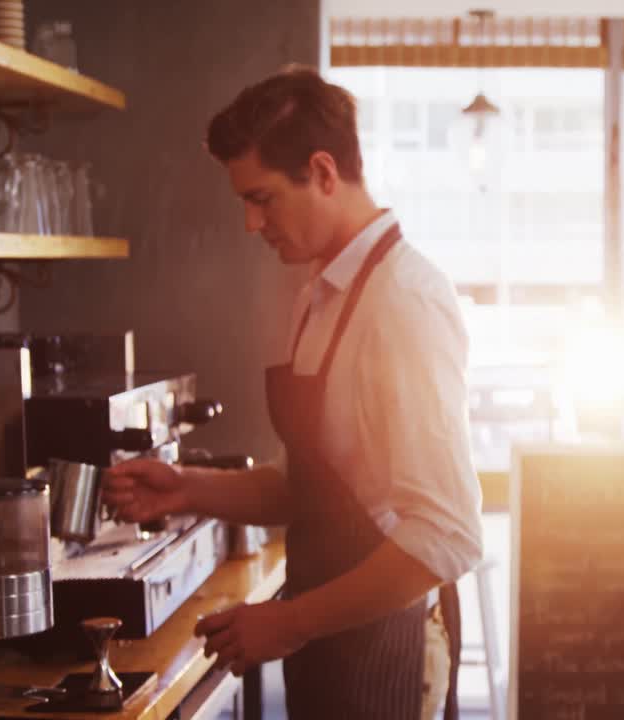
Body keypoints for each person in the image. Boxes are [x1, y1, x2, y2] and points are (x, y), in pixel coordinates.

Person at [102, 66, 483, 720]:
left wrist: (294, 621)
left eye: (264, 198)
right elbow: (310, 485)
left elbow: (447, 535)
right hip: (330, 641)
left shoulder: (405, 302)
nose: (252, 224)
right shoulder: (324, 294)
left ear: (325, 173)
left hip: (386, 645)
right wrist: (188, 487)